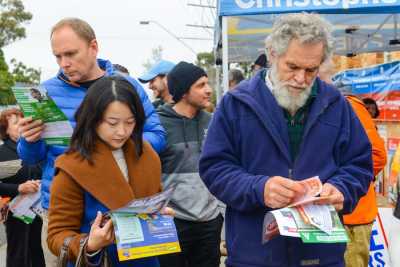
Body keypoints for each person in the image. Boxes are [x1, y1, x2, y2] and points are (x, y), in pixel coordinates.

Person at [199, 13, 372, 267]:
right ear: (272, 54)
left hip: (320, 257)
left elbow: (359, 165)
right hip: (255, 255)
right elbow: (214, 167)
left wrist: (342, 190)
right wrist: (259, 188)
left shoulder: (337, 105)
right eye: (292, 67)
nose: (301, 79)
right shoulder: (235, 105)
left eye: (311, 70)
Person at [16, 17, 166, 264]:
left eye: (71, 54)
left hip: (125, 204)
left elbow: (157, 136)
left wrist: (116, 146)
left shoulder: (126, 85)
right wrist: (29, 140)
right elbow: (31, 159)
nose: (65, 63)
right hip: (63, 202)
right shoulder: (43, 94)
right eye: (58, 56)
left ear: (93, 47)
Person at [47, 76, 168, 267]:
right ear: (93, 119)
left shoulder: (147, 154)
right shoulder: (72, 166)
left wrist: (161, 215)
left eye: (130, 122)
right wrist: (89, 244)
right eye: (112, 123)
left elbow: (154, 199)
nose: (122, 131)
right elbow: (56, 236)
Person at [320, 61, 387, 267]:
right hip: (328, 216)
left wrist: (346, 184)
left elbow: (376, 155)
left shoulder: (349, 106)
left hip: (352, 218)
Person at [157, 61, 223, 267]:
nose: (209, 90)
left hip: (210, 222)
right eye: (201, 85)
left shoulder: (214, 122)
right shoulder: (158, 124)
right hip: (172, 222)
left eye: (207, 84)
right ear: (184, 92)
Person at [0, 108, 45, 267]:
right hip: (14, 212)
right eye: (15, 122)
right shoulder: (2, 152)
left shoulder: (34, 148)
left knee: (35, 250)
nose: (21, 124)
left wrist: (40, 181)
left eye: (22, 120)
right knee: (18, 254)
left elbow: (42, 169)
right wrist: (19, 188)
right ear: (5, 128)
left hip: (35, 209)